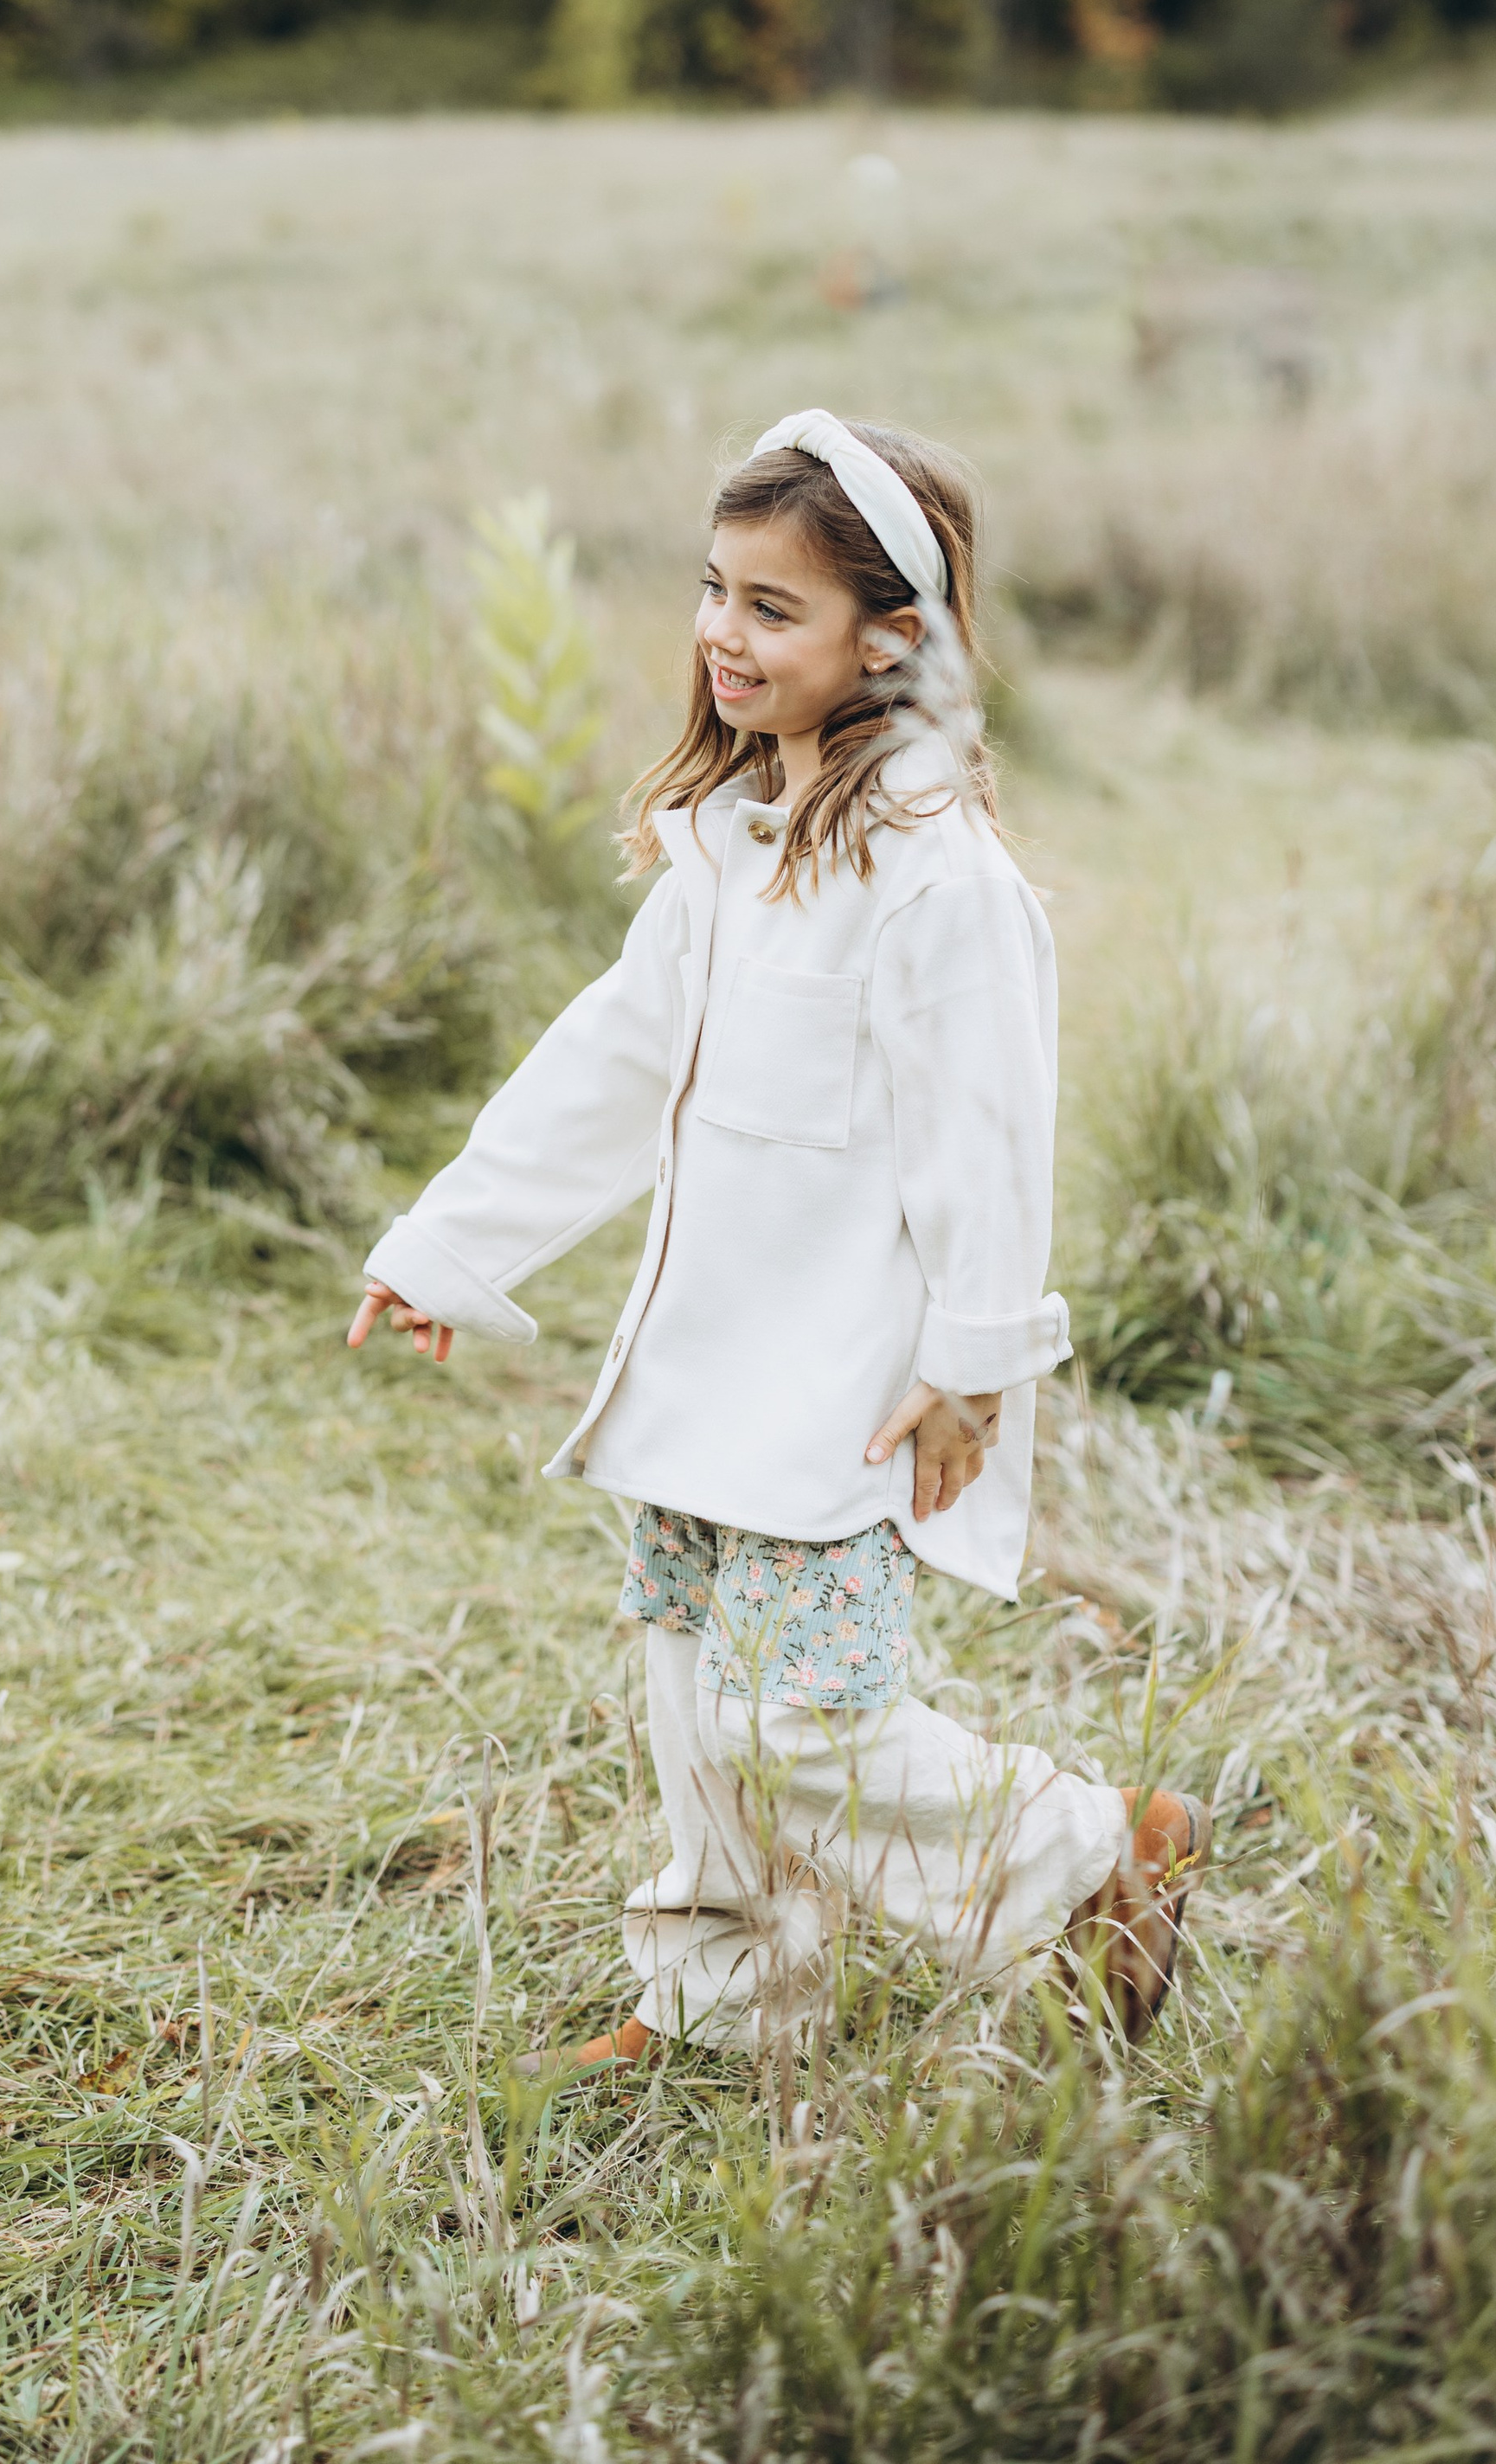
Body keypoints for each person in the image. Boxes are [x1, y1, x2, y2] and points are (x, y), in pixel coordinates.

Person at [347, 411, 1208, 2063]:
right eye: (714, 591)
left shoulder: (939, 880)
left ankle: (1093, 1849)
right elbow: (609, 1065)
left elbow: (988, 1143)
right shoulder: (730, 851)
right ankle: (719, 1995)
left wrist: (973, 1366)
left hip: (843, 1391)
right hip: (701, 1371)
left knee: (797, 1722)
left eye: (771, 608)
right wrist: (450, 1240)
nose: (720, 636)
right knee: (690, 1694)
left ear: (890, 638)